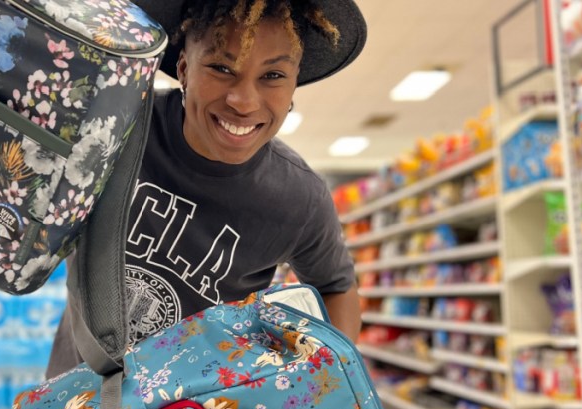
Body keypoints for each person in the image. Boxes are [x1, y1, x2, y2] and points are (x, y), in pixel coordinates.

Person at [47, 0, 367, 379]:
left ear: (294, 82)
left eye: (273, 76)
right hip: (77, 403)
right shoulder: (118, 123)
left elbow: (336, 286)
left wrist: (319, 378)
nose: (243, 101)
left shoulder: (299, 199)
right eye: (221, 68)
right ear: (183, 67)